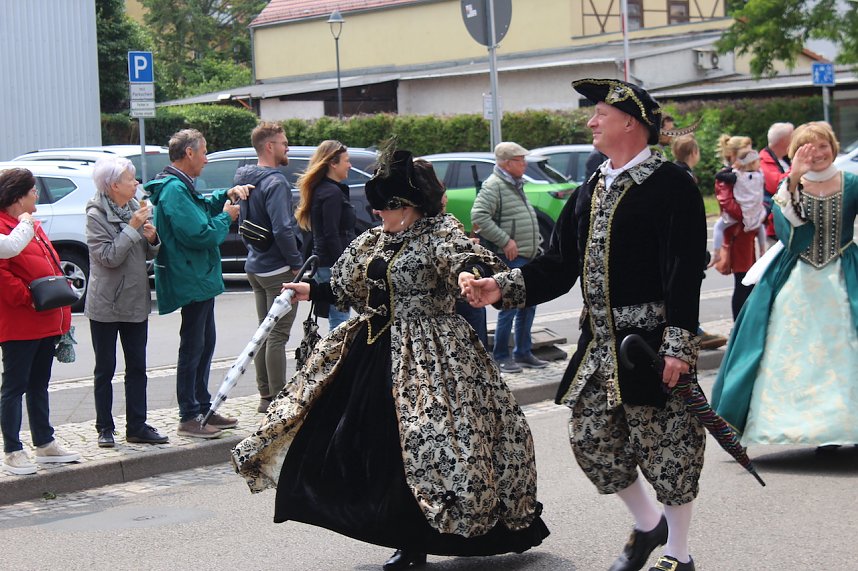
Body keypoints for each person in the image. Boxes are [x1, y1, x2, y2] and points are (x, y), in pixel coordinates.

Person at [232, 148, 549, 571]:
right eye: (377, 204)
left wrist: (469, 275)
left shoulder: (439, 235)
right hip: (371, 348)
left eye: (388, 205)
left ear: (411, 206)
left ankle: (417, 539)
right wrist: (313, 291)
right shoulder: (375, 238)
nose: (378, 210)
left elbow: (464, 258)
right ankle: (392, 529)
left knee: (430, 440)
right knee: (366, 441)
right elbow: (350, 287)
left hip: (432, 355)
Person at [464, 78, 707, 571]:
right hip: (600, 345)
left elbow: (685, 268)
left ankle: (678, 555)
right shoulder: (595, 184)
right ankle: (647, 525)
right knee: (591, 438)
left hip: (651, 342)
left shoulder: (672, 183)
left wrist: (679, 345)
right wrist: (502, 287)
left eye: (600, 113)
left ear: (631, 123)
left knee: (668, 447)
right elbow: (558, 263)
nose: (591, 122)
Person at [712, 121, 858, 446]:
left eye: (823, 146)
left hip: (845, 271)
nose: (817, 153)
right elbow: (793, 239)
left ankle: (842, 427)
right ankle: (808, 426)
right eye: (807, 147)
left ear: (833, 147)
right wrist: (793, 179)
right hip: (798, 274)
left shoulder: (851, 183)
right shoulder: (788, 189)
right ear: (795, 152)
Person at [145, 129, 252, 439]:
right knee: (193, 347)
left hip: (199, 277)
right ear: (189, 153)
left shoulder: (181, 186)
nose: (206, 159)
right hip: (191, 276)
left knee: (204, 344)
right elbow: (200, 233)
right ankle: (189, 415)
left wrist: (225, 196)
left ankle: (202, 407)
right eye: (204, 152)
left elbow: (200, 208)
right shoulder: (174, 189)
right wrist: (227, 217)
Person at [0, 168, 81, 475]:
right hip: (21, 320)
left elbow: (48, 263)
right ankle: (12, 450)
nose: (37, 194)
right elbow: (3, 275)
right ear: (17, 195)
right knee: (14, 386)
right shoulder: (5, 226)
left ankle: (45, 444)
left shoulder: (29, 223)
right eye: (32, 190)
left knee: (39, 385)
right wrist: (29, 297)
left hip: (45, 318)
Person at [86, 157, 168, 448]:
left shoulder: (135, 207)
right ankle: (104, 427)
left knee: (137, 367)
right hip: (105, 303)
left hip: (135, 299)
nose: (136, 184)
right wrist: (133, 229)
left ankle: (137, 425)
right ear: (113, 185)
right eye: (131, 179)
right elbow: (108, 257)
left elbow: (148, 253)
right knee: (105, 369)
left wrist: (152, 237)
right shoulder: (95, 214)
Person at [234, 122, 303, 413]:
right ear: (269, 147)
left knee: (264, 330)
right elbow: (283, 228)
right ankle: (277, 397)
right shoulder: (275, 183)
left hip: (255, 264)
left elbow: (242, 224)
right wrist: (296, 264)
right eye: (284, 143)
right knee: (277, 333)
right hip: (277, 268)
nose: (288, 148)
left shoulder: (244, 179)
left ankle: (265, 395)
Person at [470, 142, 547, 373]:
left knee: (528, 304)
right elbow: (479, 215)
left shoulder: (514, 184)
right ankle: (502, 355)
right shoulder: (495, 185)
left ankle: (523, 352)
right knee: (510, 306)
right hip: (512, 257)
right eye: (519, 160)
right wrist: (505, 240)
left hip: (526, 254)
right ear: (506, 163)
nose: (524, 164)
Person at [671, 135, 728, 351]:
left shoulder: (677, 172)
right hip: (683, 243)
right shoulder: (683, 176)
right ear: (694, 153)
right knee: (687, 287)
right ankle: (691, 330)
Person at [294, 140, 355, 331]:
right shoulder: (331, 193)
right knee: (340, 321)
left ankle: (334, 358)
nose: (350, 165)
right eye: (346, 161)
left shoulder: (323, 190)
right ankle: (336, 359)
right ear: (333, 164)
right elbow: (331, 234)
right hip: (332, 264)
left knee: (338, 317)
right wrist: (342, 264)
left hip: (324, 262)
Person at [713, 134, 760, 319]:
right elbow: (727, 203)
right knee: (743, 282)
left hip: (747, 232)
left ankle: (745, 324)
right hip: (738, 233)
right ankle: (739, 325)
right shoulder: (726, 175)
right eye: (744, 154)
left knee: (749, 281)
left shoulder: (747, 174)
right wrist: (748, 215)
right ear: (733, 154)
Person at [710, 148, 767, 269]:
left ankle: (716, 253)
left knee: (718, 227)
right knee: (761, 226)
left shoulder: (736, 175)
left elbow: (719, 175)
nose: (760, 164)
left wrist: (733, 167)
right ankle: (763, 250)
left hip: (740, 212)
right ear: (752, 163)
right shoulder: (760, 175)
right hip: (755, 212)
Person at [760, 122, 794, 246]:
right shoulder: (763, 160)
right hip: (775, 225)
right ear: (784, 140)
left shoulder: (785, 159)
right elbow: (776, 185)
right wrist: (796, 168)